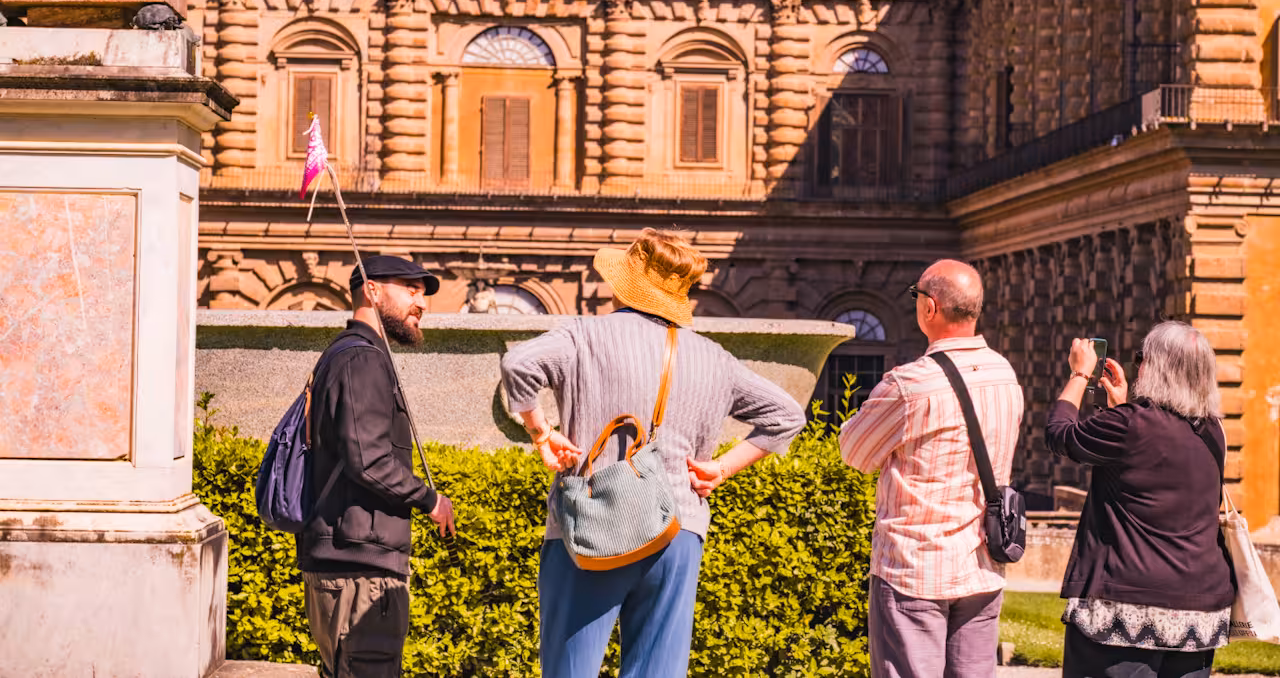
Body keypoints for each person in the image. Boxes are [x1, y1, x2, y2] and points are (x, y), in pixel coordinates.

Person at [500, 228, 806, 678]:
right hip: (677, 530)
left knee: (571, 670)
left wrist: (542, 431)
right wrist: (721, 468)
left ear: (624, 284)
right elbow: (787, 413)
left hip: (592, 527)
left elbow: (518, 364)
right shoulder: (713, 357)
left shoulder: (586, 335)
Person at [838, 259, 1024, 678]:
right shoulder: (1005, 375)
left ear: (930, 308)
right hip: (981, 566)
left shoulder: (908, 385)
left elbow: (853, 452)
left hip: (913, 567)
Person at [298, 255, 457, 678]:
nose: (421, 303)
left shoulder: (349, 355)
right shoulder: (362, 359)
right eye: (410, 289)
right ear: (372, 290)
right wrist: (430, 499)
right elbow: (368, 460)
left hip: (350, 564)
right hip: (360, 574)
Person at [1046, 322, 1234, 678]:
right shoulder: (1214, 431)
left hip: (1127, 602)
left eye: (1140, 360)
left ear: (1157, 369)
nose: (1138, 368)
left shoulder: (1131, 425)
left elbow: (1060, 434)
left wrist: (1079, 373)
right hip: (1198, 613)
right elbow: (1154, 461)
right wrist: (1122, 405)